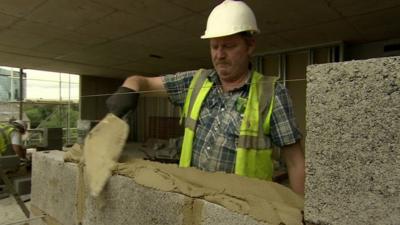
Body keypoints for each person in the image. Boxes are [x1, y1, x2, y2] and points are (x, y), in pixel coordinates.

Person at [106, 0, 305, 195]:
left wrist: (302, 211)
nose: (219, 55)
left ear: (250, 45)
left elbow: (296, 163)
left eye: (228, 46)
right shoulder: (196, 82)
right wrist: (129, 88)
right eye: (214, 46)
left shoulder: (271, 93)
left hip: (243, 211)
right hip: (193, 201)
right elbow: (143, 82)